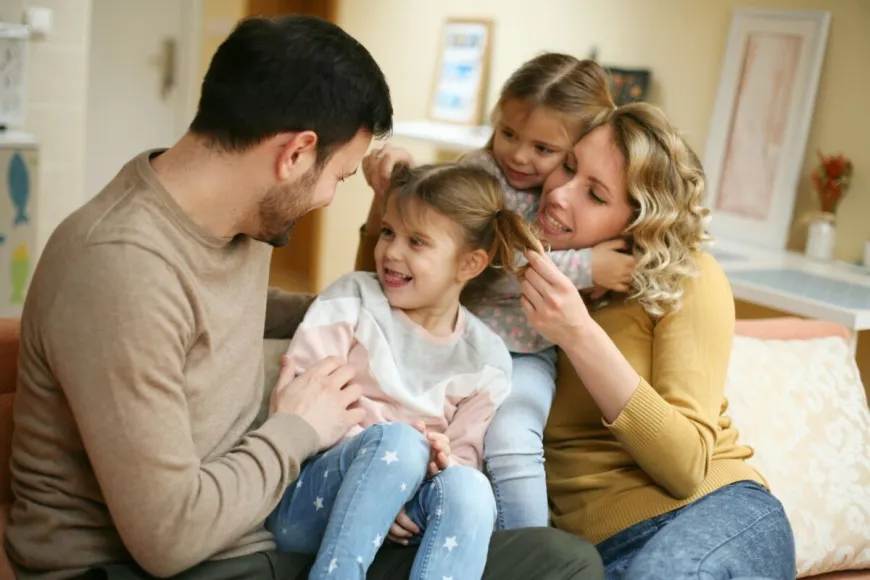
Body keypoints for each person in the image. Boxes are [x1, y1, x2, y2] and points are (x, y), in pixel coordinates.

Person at [5, 14, 603, 580]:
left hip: (250, 538)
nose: (327, 200)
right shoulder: (120, 268)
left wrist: (372, 314)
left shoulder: (234, 223)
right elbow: (169, 538)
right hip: (160, 564)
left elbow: (215, 308)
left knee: (560, 559)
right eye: (339, 177)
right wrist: (298, 428)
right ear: (294, 154)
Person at [359, 102, 796, 580]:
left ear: (637, 221)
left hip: (710, 512)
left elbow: (686, 467)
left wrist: (578, 333)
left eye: (595, 194)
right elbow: (384, 309)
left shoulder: (685, 278)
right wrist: (385, 201)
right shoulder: (501, 279)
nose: (560, 194)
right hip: (590, 557)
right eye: (567, 166)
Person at [363, 52, 636, 531]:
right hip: (458, 339)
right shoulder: (480, 175)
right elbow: (491, 260)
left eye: (543, 148)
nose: (520, 156)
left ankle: (531, 550)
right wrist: (588, 266)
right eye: (509, 134)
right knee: (422, 428)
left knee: (514, 444)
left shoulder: (566, 198)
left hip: (528, 353)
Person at [267, 163, 543, 579]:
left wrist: (439, 462)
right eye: (388, 232)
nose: (392, 252)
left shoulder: (488, 359)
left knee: (472, 488)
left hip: (407, 525)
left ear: (469, 264)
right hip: (311, 501)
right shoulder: (353, 298)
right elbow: (303, 401)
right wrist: (383, 478)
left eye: (416, 241)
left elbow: (464, 456)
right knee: (400, 442)